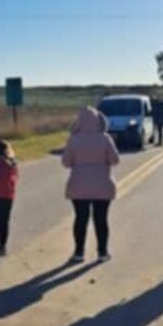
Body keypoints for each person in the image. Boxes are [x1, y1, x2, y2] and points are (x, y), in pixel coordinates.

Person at [62, 106, 120, 263]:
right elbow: (115, 160)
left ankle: (79, 252)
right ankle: (102, 252)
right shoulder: (105, 138)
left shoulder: (73, 140)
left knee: (80, 218)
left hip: (78, 184)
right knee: (101, 219)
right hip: (102, 184)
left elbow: (66, 163)